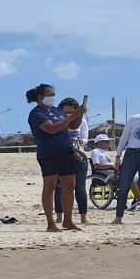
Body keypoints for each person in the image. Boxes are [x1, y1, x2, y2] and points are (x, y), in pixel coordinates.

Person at [25, 83, 85, 232]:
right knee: (50, 187)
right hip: (49, 154)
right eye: (49, 94)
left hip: (66, 151)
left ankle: (68, 221)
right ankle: (50, 223)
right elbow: (52, 128)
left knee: (70, 186)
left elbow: (72, 126)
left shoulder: (56, 110)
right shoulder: (36, 113)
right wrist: (72, 115)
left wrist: (79, 114)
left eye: (53, 94)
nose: (52, 97)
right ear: (40, 97)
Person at [51, 98, 91, 225]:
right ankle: (59, 216)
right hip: (61, 155)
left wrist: (80, 141)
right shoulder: (57, 121)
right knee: (60, 187)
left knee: (80, 187)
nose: (69, 116)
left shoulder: (82, 121)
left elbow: (85, 138)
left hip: (78, 155)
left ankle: (83, 217)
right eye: (66, 113)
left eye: (72, 113)